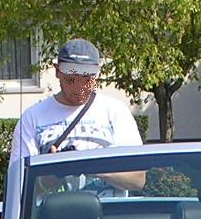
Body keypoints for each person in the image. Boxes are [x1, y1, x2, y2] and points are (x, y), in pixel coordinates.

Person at [9, 38, 145, 191]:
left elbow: (138, 180)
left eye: (87, 79)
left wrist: (90, 166)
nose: (79, 88)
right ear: (57, 71)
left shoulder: (116, 111)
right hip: (53, 214)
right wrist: (53, 173)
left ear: (98, 74)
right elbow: (18, 187)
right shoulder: (32, 118)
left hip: (109, 213)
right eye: (71, 79)